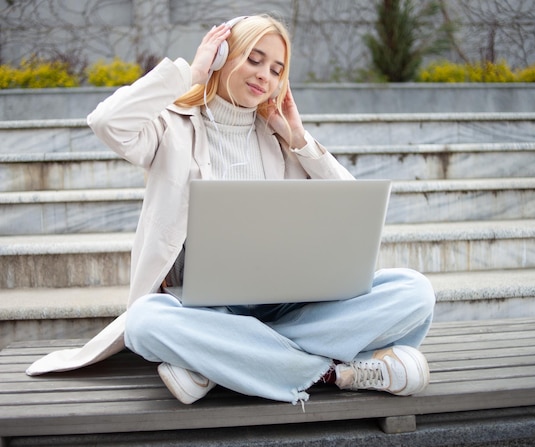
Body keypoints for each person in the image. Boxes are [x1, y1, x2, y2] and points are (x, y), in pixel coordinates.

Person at [26, 14, 436, 406]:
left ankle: (221, 362)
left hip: (288, 303)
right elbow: (107, 122)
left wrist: (299, 141)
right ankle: (336, 373)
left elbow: (351, 213)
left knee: (414, 291)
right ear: (222, 59)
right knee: (145, 322)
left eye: (276, 69)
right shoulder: (171, 127)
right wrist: (190, 74)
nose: (264, 75)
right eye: (254, 59)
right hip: (207, 309)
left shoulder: (280, 139)